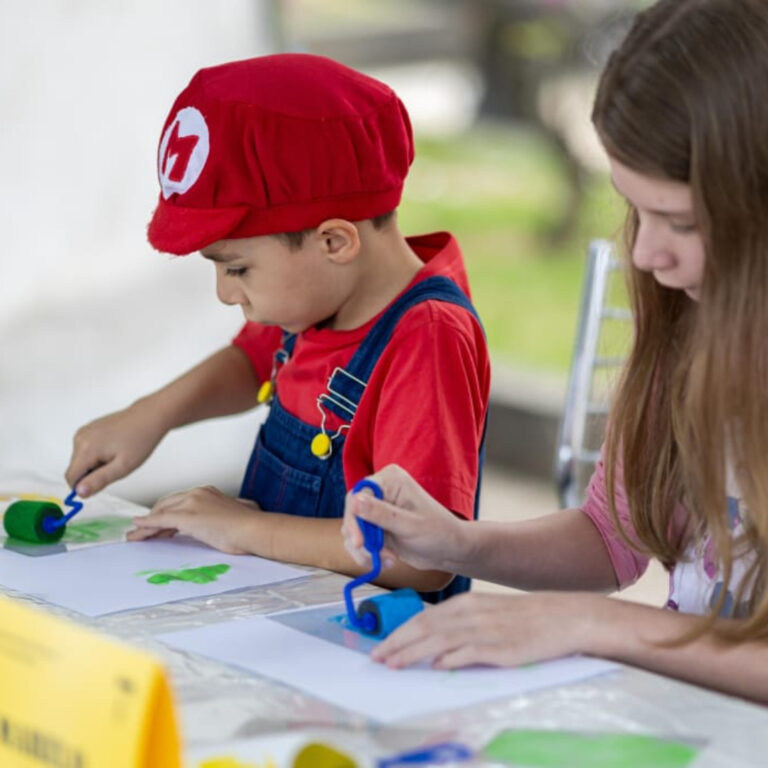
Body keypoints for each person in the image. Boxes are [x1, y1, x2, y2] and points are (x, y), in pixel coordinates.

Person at [342, 0, 768, 701]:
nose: (643, 251)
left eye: (681, 221)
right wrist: (457, 543)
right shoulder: (693, 320)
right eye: (633, 208)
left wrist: (589, 624)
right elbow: (613, 539)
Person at [65, 54, 490, 601]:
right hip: (290, 611)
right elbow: (250, 362)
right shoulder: (321, 298)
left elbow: (423, 557)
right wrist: (149, 417)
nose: (224, 293)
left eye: (237, 268)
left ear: (334, 242)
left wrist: (243, 530)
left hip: (370, 649)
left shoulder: (426, 338)